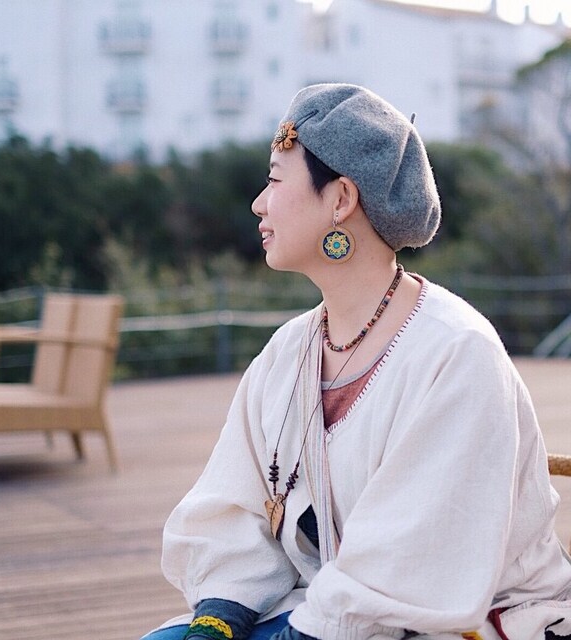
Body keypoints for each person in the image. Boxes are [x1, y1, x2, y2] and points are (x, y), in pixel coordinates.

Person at [141, 84, 571, 640]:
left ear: (341, 199)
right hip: (327, 608)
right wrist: (217, 620)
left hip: (462, 618)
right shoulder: (289, 351)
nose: (259, 203)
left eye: (275, 180)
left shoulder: (458, 353)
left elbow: (414, 561)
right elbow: (235, 504)